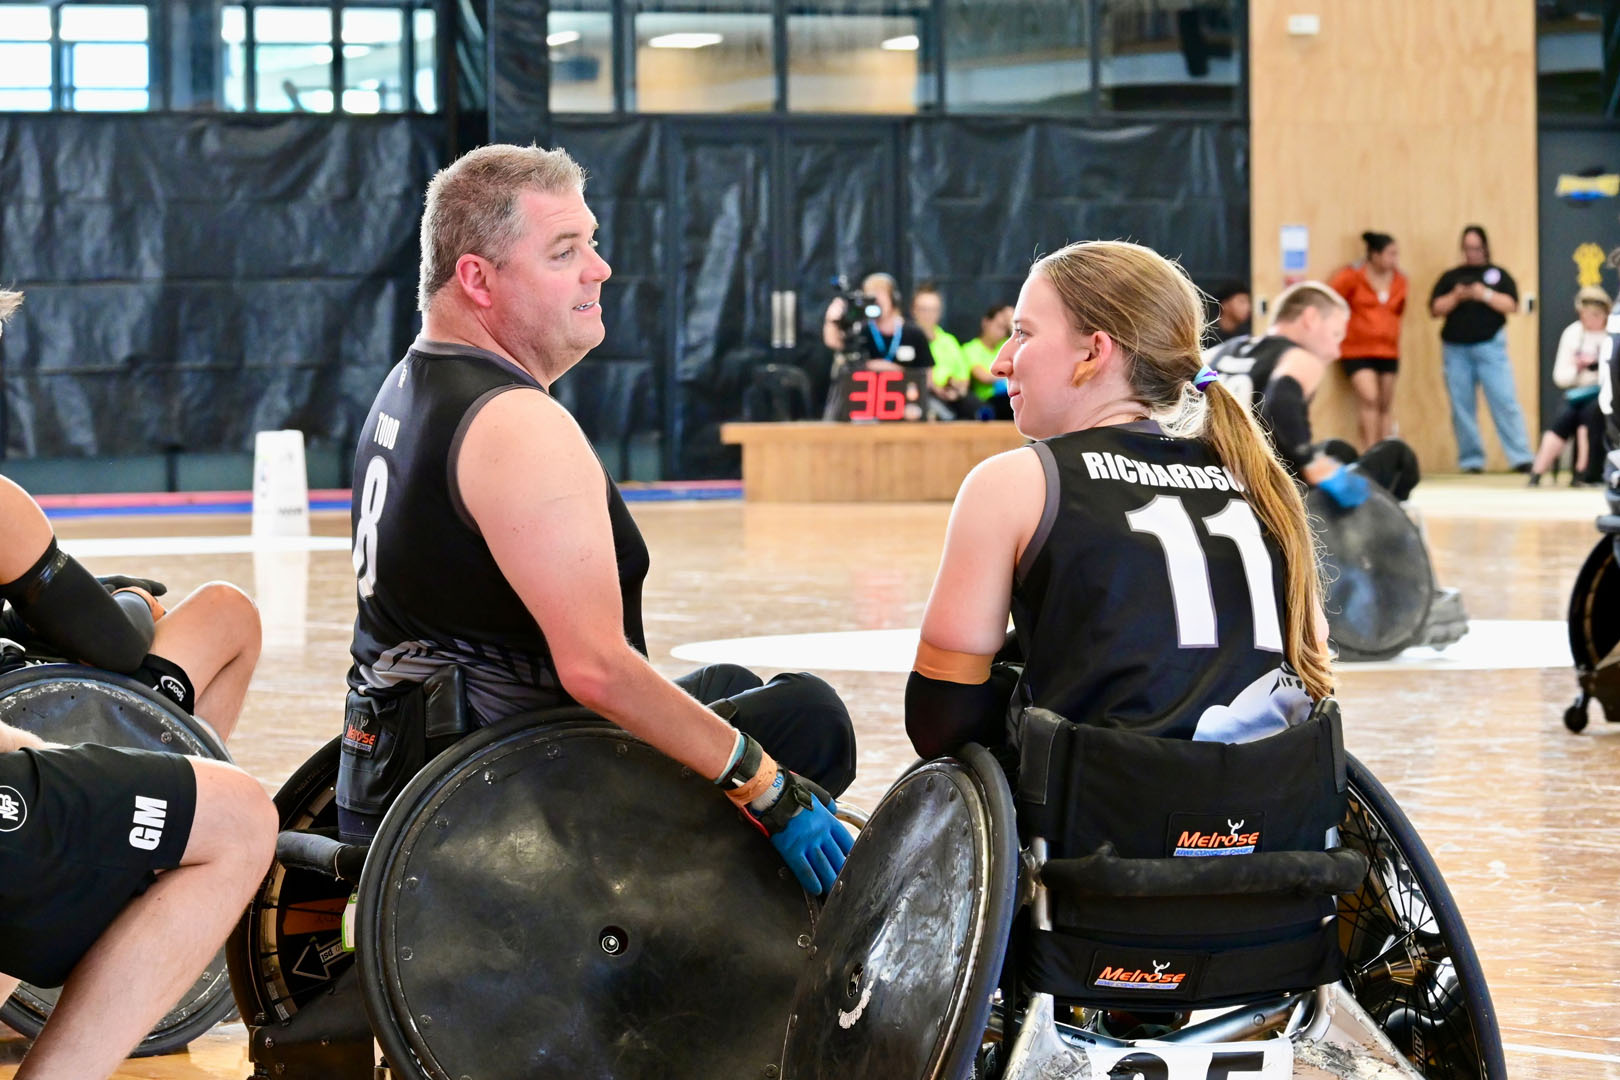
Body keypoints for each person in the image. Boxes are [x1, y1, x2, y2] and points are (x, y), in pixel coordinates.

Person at [340, 144, 854, 897]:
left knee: (729, 683)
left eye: (593, 242)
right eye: (565, 251)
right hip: (509, 807)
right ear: (478, 279)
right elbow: (594, 670)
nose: (599, 269)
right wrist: (765, 785)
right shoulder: (516, 423)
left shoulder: (412, 384)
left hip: (406, 762)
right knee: (808, 718)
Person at [903, 239, 1328, 767]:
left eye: (1023, 333)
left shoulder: (1015, 483)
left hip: (1108, 814)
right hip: (1275, 814)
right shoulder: (1261, 483)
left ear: (1093, 352)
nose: (999, 361)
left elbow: (938, 719)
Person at [0, 289, 277, 1080]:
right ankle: (153, 895)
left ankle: (144, 872)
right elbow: (118, 647)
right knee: (227, 618)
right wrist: (116, 600)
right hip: (33, 718)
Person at [0, 293, 262, 743]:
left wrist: (43, 611)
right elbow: (117, 646)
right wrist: (132, 598)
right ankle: (197, 798)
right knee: (228, 612)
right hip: (17, 732)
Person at [1252, 282, 1421, 505]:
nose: (1335, 351)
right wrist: (1310, 463)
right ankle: (1384, 525)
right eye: (1335, 335)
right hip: (1275, 488)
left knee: (1338, 450)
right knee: (1398, 454)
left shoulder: (1223, 352)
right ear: (1310, 318)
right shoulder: (1298, 358)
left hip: (1218, 479)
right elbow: (1280, 403)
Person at [1429, 224, 1533, 473]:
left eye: (1476, 248)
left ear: (1485, 247)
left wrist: (1482, 294)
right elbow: (1435, 309)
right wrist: (1456, 296)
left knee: (1504, 400)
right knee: (1462, 406)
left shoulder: (1497, 274)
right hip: (1456, 349)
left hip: (1490, 347)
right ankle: (1471, 461)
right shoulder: (1450, 277)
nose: (1471, 253)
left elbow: (1511, 304)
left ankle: (1521, 457)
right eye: (1467, 248)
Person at [1528, 286, 1614, 487]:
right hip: (1578, 392)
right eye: (1585, 315)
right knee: (1564, 416)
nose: (1589, 320)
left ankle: (1582, 473)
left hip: (1604, 393)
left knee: (1589, 415)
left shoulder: (1612, 333)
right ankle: (1537, 472)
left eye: (1595, 315)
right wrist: (1578, 368)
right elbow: (1561, 377)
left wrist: (1596, 365)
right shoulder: (1573, 333)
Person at [1329, 232, 1407, 449]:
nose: (1394, 260)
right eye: (1390, 254)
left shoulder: (1400, 280)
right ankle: (1370, 450)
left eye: (1396, 254)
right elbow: (1332, 301)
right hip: (1357, 349)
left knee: (1385, 403)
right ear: (1374, 254)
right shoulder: (1352, 276)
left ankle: (1385, 453)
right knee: (1370, 398)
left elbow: (1399, 310)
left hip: (1389, 350)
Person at [821, 272, 931, 369]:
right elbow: (834, 343)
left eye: (881, 294)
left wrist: (894, 370)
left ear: (893, 299)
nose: (876, 302)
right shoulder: (861, 330)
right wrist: (831, 321)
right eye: (872, 297)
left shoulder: (914, 333)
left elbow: (926, 375)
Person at [914, 283, 972, 417]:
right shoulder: (908, 339)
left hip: (952, 394)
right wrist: (938, 390)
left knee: (976, 409)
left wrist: (957, 390)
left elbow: (963, 376)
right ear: (914, 311)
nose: (928, 315)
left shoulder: (949, 341)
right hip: (924, 395)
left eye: (933, 310)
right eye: (924, 309)